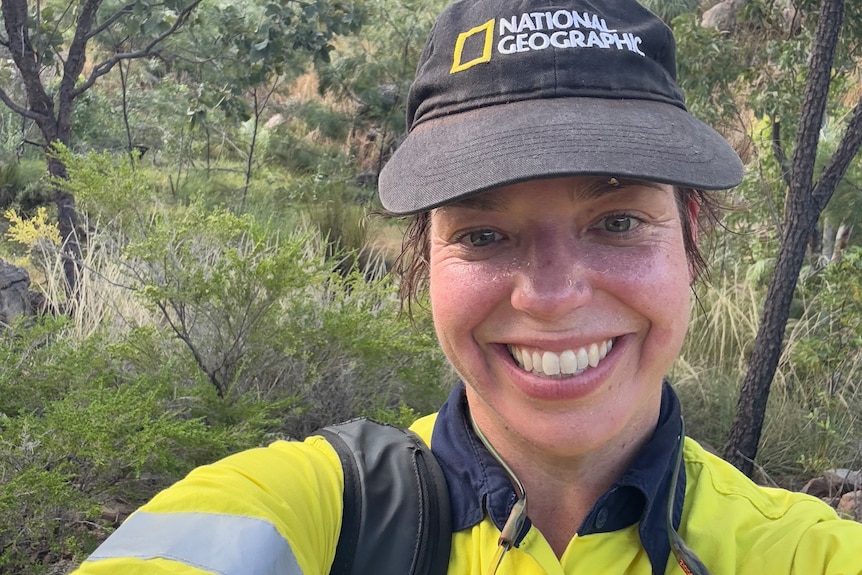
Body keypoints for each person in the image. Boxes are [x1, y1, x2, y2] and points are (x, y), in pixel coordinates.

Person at [71, 0, 862, 573]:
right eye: (484, 235)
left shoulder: (801, 552)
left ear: (692, 235)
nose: (550, 296)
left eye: (617, 221)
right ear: (424, 263)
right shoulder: (313, 513)